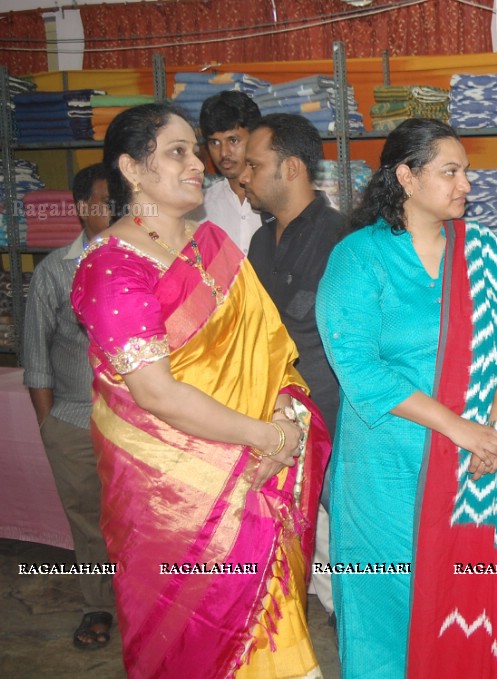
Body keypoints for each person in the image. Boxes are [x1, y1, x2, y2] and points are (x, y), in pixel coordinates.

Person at [316, 118, 497, 678]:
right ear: (407, 177)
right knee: (391, 608)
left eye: (467, 171)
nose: (466, 184)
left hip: (479, 472)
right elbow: (360, 368)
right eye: (450, 171)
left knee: (476, 605)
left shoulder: (484, 249)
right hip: (389, 472)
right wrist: (461, 430)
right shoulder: (357, 258)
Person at [70, 102, 329, 679]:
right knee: (195, 644)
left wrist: (287, 413)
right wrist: (268, 436)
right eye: (178, 151)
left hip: (256, 476)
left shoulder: (213, 242)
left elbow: (270, 346)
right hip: (176, 501)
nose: (201, 164)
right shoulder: (113, 266)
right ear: (133, 169)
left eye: (197, 150)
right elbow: (156, 393)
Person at [240, 112, 344, 620]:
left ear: (293, 168)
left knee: (353, 551)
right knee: (298, 553)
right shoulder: (260, 244)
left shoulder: (345, 241)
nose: (243, 175)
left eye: (255, 165)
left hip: (339, 427)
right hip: (275, 424)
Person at [22, 163, 115, 651]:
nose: (116, 210)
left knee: (141, 518)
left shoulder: (141, 264)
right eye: (105, 202)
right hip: (76, 420)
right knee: (88, 521)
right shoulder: (54, 272)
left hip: (137, 420)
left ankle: (145, 601)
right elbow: (36, 360)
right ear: (81, 208)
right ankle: (96, 603)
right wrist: (50, 429)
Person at [188, 91, 263, 254]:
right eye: (214, 142)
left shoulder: (277, 202)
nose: (223, 153)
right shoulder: (199, 207)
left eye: (233, 140)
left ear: (255, 137)